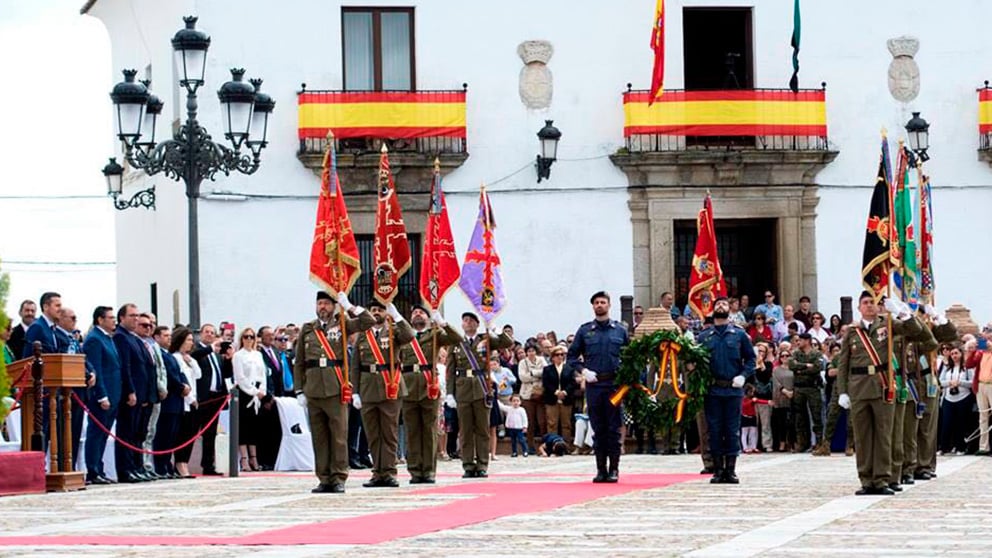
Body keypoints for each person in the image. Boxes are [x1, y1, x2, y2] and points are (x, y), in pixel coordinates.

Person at [837, 292, 924, 495]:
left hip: (883, 387)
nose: (869, 306)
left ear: (878, 307)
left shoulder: (888, 326)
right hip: (858, 389)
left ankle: (882, 479)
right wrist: (843, 391)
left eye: (872, 303)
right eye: (865, 303)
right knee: (863, 437)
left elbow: (917, 331)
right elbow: (843, 365)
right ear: (859, 308)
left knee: (884, 435)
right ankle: (866, 479)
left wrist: (903, 314)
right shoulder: (852, 332)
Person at [294, 291, 374, 494]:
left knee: (338, 436)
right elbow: (300, 362)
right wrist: (299, 390)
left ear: (334, 306)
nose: (322, 307)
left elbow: (368, 321)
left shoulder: (343, 323)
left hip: (336, 388)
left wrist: (349, 306)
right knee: (319, 437)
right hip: (313, 389)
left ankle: (338, 477)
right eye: (319, 303)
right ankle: (324, 478)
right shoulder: (308, 328)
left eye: (326, 304)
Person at [567, 291, 630, 483]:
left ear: (609, 305)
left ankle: (614, 469)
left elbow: (629, 356)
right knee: (598, 428)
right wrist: (583, 371)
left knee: (613, 428)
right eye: (596, 302)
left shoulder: (620, 330)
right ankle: (601, 469)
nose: (600, 305)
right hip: (594, 385)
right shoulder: (585, 331)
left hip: (614, 385)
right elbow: (571, 356)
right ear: (593, 306)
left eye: (603, 302)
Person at [352, 300, 414, 488]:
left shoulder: (394, 331)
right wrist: (355, 392)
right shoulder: (363, 336)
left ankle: (388, 472)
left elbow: (409, 336)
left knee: (389, 432)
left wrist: (397, 316)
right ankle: (377, 473)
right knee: (373, 433)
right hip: (368, 387)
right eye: (373, 310)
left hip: (390, 385)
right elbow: (355, 366)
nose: (376, 313)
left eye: (380, 310)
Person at [444, 311, 513, 479]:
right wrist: (450, 393)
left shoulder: (486, 339)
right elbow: (450, 370)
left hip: (482, 388)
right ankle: (468, 465)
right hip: (463, 389)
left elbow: (507, 342)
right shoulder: (456, 343)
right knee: (465, 430)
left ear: (476, 324)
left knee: (482, 429)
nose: (467, 323)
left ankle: (482, 464)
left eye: (470, 320)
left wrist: (494, 327)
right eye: (464, 320)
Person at [698, 297, 756, 484]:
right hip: (713, 390)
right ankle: (717, 469)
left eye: (724, 304)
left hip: (732, 389)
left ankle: (730, 470)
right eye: (718, 305)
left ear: (729, 310)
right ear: (712, 310)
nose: (721, 306)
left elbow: (750, 359)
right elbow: (698, 362)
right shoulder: (704, 337)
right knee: (714, 430)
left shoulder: (739, 335)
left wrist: (743, 376)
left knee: (732, 430)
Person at [399, 304, 459, 484]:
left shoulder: (434, 335)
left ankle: (429, 470)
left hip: (428, 386)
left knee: (429, 430)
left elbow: (457, 338)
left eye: (421, 313)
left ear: (428, 318)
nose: (417, 315)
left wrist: (442, 322)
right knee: (412, 431)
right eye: (415, 313)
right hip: (408, 387)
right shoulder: (405, 335)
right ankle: (415, 470)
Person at [112, 303, 157, 483]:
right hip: (131, 394)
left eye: (137, 315)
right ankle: (125, 469)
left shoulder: (135, 339)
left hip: (142, 394)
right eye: (132, 315)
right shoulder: (121, 337)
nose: (136, 319)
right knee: (126, 433)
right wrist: (130, 390)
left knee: (137, 434)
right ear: (121, 318)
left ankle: (135, 466)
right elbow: (127, 367)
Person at [82, 306, 120, 485]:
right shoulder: (94, 339)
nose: (114, 321)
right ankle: (93, 470)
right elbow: (96, 368)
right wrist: (101, 395)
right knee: (96, 433)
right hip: (102, 395)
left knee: (103, 434)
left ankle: (99, 467)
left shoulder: (107, 338)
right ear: (100, 319)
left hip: (114, 394)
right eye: (110, 318)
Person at [151, 326, 190, 479]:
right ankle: (160, 466)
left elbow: (180, 373)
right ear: (157, 337)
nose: (169, 338)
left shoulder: (171, 356)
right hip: (169, 400)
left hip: (177, 401)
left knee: (171, 437)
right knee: (163, 436)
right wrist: (180, 386)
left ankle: (167, 464)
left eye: (169, 335)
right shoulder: (159, 354)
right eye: (165, 335)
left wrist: (186, 385)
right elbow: (168, 376)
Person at [191, 323, 228, 476]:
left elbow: (225, 373)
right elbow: (195, 356)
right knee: (193, 430)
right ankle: (182, 462)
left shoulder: (217, 354)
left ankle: (208, 464)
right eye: (207, 332)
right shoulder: (197, 349)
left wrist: (229, 359)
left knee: (211, 433)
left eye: (212, 332)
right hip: (202, 398)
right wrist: (211, 348)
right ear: (200, 333)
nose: (210, 335)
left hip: (215, 397)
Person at [233, 327, 266, 472]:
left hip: (257, 391)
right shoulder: (238, 356)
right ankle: (244, 458)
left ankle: (254, 457)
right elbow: (240, 377)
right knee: (244, 428)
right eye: (246, 337)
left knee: (254, 427)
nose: (249, 339)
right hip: (245, 392)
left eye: (251, 337)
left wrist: (262, 390)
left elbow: (263, 373)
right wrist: (252, 391)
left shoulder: (258, 355)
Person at [170, 326, 201, 478]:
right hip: (185, 401)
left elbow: (198, 375)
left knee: (190, 434)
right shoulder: (175, 357)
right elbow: (182, 381)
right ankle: (179, 463)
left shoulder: (188, 359)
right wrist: (190, 399)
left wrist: (191, 361)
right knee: (182, 434)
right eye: (188, 340)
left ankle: (185, 462)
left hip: (193, 400)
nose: (191, 343)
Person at [788, 333, 825, 454]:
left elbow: (817, 368)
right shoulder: (796, 353)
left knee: (816, 416)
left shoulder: (816, 353)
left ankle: (819, 443)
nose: (798, 342)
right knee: (800, 417)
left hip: (812, 388)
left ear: (807, 341)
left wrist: (800, 370)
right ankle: (803, 443)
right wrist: (806, 366)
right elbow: (792, 365)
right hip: (799, 388)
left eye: (801, 340)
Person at [939, 345, 973, 456]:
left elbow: (972, 382)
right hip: (949, 398)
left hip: (963, 397)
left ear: (961, 354)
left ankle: (960, 447)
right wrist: (949, 383)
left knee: (961, 423)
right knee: (946, 423)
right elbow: (940, 382)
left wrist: (960, 383)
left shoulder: (967, 367)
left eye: (956, 353)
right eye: (952, 353)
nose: (954, 356)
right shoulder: (947, 368)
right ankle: (944, 447)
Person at [822, 342, 854, 456]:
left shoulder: (857, 356)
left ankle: (850, 445)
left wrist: (840, 370)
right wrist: (845, 370)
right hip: (838, 390)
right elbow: (830, 372)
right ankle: (825, 445)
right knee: (831, 417)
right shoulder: (838, 357)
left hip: (853, 389)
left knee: (852, 421)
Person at [543, 345, 578, 446]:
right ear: (552, 357)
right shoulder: (547, 369)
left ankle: (565, 445)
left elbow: (573, 383)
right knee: (552, 424)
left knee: (566, 424)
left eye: (562, 355)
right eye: (557, 355)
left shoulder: (569, 369)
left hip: (566, 399)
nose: (560, 357)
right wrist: (556, 392)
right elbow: (546, 383)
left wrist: (564, 392)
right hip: (552, 399)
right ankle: (551, 445)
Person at [517, 343, 547, 453]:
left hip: (539, 394)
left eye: (533, 351)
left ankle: (545, 445)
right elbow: (522, 377)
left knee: (542, 421)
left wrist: (533, 373)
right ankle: (530, 446)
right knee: (529, 422)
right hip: (527, 395)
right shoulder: (522, 362)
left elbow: (545, 372)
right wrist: (537, 376)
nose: (531, 353)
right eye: (529, 351)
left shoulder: (541, 360)